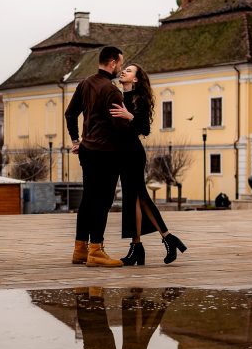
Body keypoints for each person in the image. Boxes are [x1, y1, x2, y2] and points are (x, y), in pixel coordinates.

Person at [109, 63, 187, 265]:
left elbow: (144, 128)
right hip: (121, 153)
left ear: (135, 79)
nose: (124, 71)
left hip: (133, 153)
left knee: (140, 196)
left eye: (129, 70)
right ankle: (140, 246)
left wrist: (130, 116)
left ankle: (166, 237)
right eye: (123, 69)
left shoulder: (139, 99)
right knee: (132, 200)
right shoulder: (118, 96)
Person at [65, 46, 129, 267]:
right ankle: (96, 250)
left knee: (88, 199)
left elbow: (70, 113)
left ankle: (80, 249)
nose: (120, 68)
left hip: (87, 150)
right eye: (120, 64)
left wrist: (75, 140)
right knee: (103, 201)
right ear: (112, 63)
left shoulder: (85, 84)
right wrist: (131, 119)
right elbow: (119, 125)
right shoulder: (112, 91)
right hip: (107, 153)